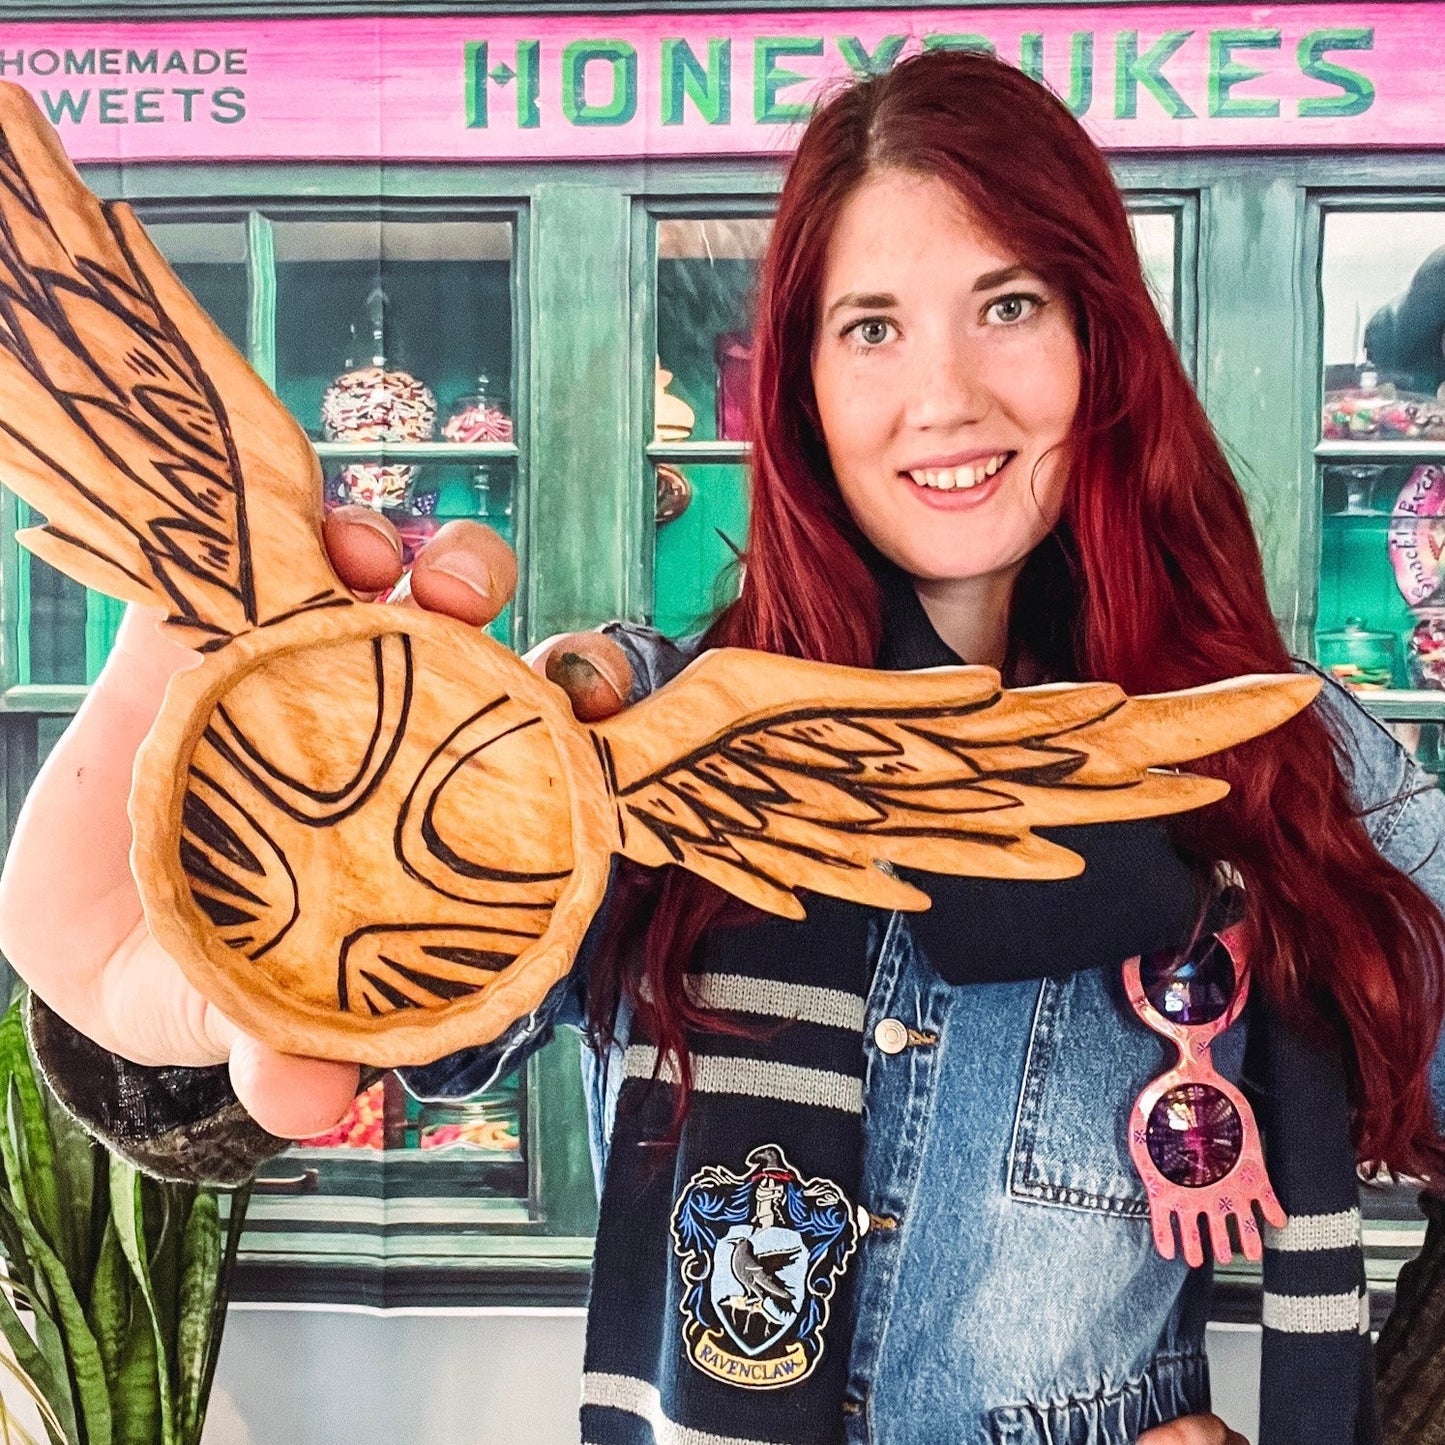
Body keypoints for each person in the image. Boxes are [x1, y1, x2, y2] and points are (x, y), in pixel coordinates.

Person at [1, 48, 1444, 1445]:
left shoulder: (1273, 755)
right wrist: (183, 948)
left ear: (1100, 338)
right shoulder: (612, 729)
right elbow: (268, 1050)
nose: (944, 394)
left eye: (1007, 304)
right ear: (802, 385)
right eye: (869, 326)